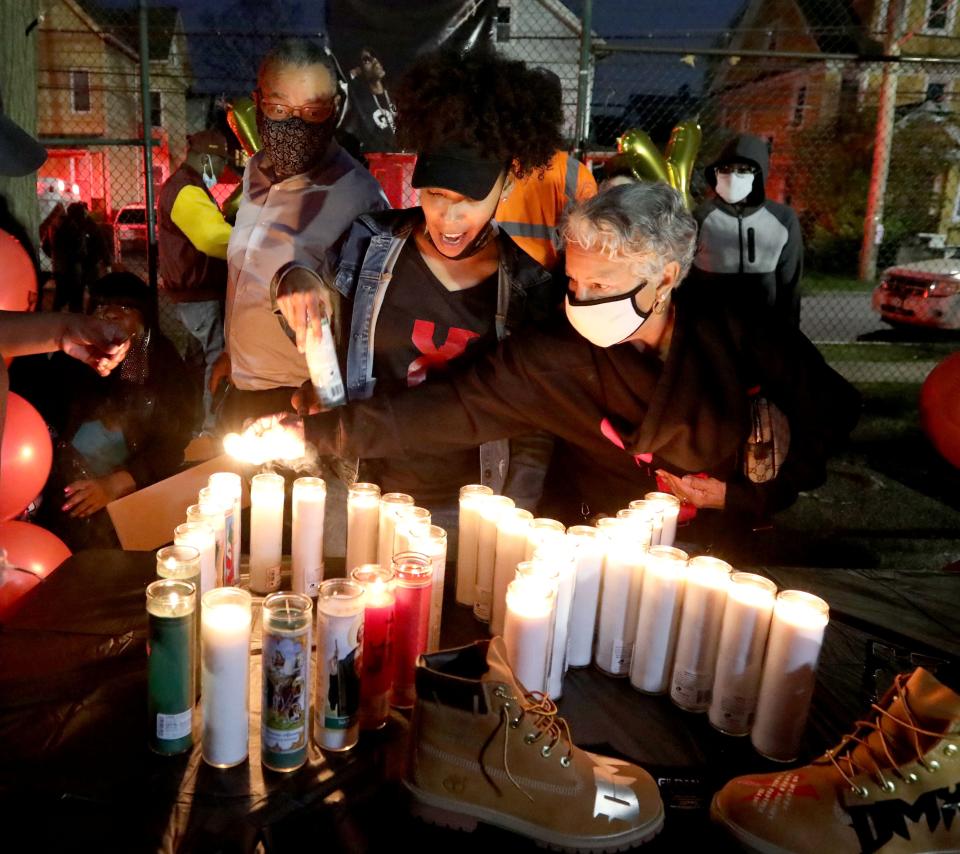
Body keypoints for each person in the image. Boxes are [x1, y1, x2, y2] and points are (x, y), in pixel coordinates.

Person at [257, 183, 859, 557]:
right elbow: (454, 409)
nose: (581, 300)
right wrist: (319, 435)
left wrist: (749, 493)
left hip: (725, 546)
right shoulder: (556, 356)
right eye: (573, 281)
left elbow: (832, 412)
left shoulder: (737, 329)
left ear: (667, 278)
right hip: (605, 542)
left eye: (602, 285)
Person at [279, 47, 565, 524]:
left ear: (508, 182)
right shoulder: (368, 243)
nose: (448, 218)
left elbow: (532, 429)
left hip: (469, 508)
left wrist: (515, 517)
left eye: (468, 199)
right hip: (361, 488)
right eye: (433, 194)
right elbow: (311, 323)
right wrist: (295, 280)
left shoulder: (529, 291)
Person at [211, 37, 388, 430]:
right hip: (240, 389)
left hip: (298, 403)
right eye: (278, 108)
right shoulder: (256, 171)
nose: (294, 124)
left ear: (335, 110)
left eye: (313, 110)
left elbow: (370, 324)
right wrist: (234, 353)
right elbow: (248, 276)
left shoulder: (360, 198)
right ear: (257, 103)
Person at [18, 273, 195, 550]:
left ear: (144, 320)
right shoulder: (75, 358)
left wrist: (114, 485)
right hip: (63, 487)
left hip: (131, 500)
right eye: (101, 307)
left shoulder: (155, 362)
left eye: (124, 309)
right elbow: (38, 408)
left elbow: (172, 445)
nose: (111, 314)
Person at [158, 129, 232, 432]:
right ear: (207, 158)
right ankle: (211, 430)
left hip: (192, 295)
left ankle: (196, 425)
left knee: (201, 363)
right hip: (199, 294)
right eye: (220, 161)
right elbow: (213, 238)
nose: (222, 169)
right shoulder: (186, 189)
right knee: (217, 361)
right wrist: (257, 247)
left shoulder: (186, 186)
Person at [691, 133, 804, 327]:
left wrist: (788, 337)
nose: (733, 177)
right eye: (725, 169)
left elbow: (790, 286)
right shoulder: (700, 218)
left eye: (743, 170)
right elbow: (686, 280)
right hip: (711, 327)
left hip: (763, 327)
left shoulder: (783, 219)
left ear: (758, 174)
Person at [493, 68, 596, 270]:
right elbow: (589, 241)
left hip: (493, 272)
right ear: (556, 115)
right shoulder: (574, 173)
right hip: (546, 279)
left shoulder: (493, 163)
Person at [341, 47, 397, 154]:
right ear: (359, 70)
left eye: (375, 56)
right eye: (367, 60)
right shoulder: (361, 105)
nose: (375, 62)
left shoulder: (395, 94)